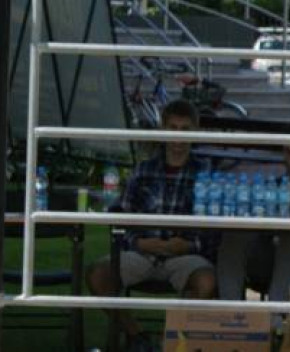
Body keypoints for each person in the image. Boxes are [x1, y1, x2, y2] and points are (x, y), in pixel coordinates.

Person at [86, 100, 217, 352]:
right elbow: (119, 216)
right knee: (97, 274)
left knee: (208, 281)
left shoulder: (206, 173)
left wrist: (187, 245)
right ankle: (138, 337)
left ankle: (179, 341)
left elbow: (215, 230)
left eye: (185, 130)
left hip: (186, 256)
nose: (177, 137)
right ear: (162, 129)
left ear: (195, 132)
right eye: (172, 128)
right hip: (142, 253)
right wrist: (138, 242)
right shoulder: (143, 170)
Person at [217, 131, 290, 308]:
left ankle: (275, 320)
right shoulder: (272, 186)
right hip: (272, 253)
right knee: (234, 235)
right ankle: (230, 316)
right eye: (289, 153)